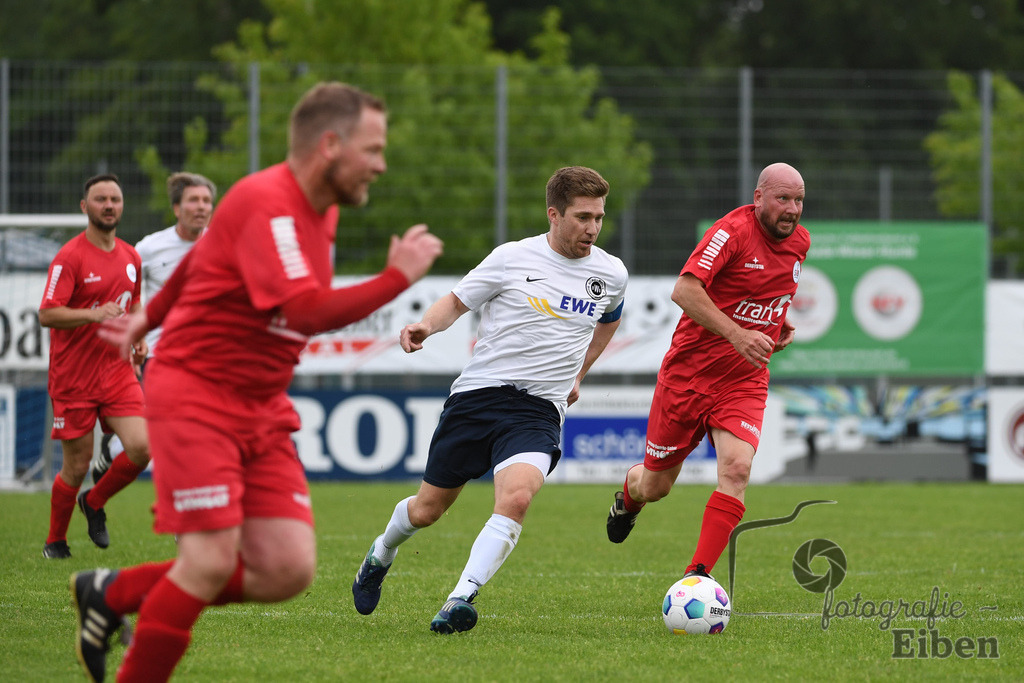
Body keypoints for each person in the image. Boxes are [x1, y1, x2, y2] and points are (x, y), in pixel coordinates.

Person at [69, 82, 443, 682]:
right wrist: (396, 277)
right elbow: (302, 310)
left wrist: (150, 312)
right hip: (195, 395)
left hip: (260, 405)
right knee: (209, 561)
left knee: (286, 569)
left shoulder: (317, 206)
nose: (381, 163)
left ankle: (112, 594)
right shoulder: (271, 201)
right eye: (372, 149)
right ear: (329, 145)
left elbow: (204, 255)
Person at [352, 166, 628, 634]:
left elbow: (609, 319)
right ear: (553, 215)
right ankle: (381, 553)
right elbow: (457, 302)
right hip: (478, 399)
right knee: (427, 510)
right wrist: (425, 326)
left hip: (539, 408)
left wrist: (579, 373)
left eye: (599, 217)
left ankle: (460, 599)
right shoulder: (511, 258)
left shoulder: (610, 273)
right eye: (583, 217)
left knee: (517, 497)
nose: (593, 228)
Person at [605, 162, 809, 581]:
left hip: (743, 380)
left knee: (737, 469)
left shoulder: (801, 242)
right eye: (783, 199)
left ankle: (697, 578)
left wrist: (778, 320)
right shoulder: (731, 232)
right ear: (758, 199)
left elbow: (769, 291)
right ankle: (629, 496)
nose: (792, 209)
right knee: (655, 487)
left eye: (799, 200)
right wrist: (738, 334)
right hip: (688, 377)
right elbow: (684, 290)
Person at [39, 173, 151, 559]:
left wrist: (137, 338)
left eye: (115, 199)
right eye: (100, 199)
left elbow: (134, 305)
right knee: (77, 464)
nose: (109, 205)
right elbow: (47, 314)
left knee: (142, 447)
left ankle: (95, 501)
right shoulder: (69, 257)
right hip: (74, 378)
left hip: (117, 372)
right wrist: (93, 314)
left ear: (122, 206)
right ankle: (55, 541)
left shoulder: (131, 257)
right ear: (85, 207)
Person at [94, 172, 216, 484]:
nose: (201, 207)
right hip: (161, 355)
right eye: (194, 200)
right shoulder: (150, 248)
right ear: (177, 208)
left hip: (208, 358)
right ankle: (118, 448)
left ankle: (118, 447)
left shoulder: (222, 244)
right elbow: (126, 292)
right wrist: (133, 339)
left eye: (206, 201)